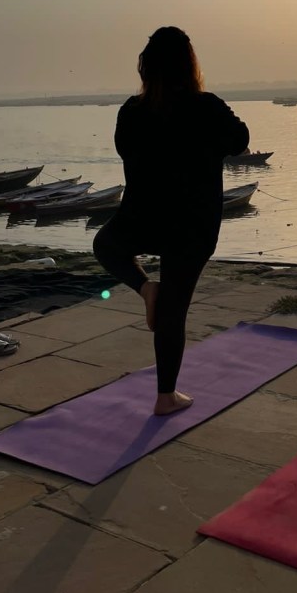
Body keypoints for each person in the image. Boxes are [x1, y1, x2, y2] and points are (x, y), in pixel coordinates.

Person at [93, 26, 249, 416]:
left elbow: (124, 150)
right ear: (189, 65)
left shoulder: (131, 112)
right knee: (174, 308)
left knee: (105, 246)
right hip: (193, 224)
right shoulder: (207, 107)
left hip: (143, 218)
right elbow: (241, 139)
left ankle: (145, 288)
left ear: (146, 69)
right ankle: (166, 395)